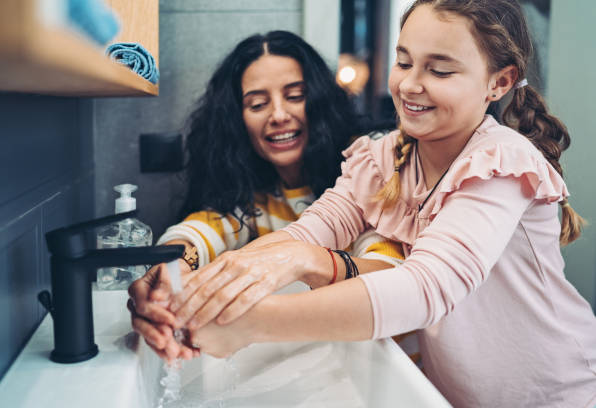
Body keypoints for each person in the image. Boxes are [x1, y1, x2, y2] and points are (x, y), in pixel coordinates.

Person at [160, 1, 596, 407]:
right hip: (456, 395)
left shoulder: (500, 161)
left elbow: (426, 287)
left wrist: (252, 322)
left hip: (555, 394)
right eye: (403, 61)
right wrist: (189, 295)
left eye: (440, 71)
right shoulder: (385, 156)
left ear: (498, 82)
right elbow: (310, 230)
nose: (408, 83)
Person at [128, 30, 406, 361]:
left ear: (319, 101)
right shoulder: (249, 199)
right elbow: (201, 231)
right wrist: (171, 269)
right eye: (257, 104)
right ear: (237, 120)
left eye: (295, 96)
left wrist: (305, 262)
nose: (277, 115)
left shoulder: (368, 169)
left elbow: (395, 274)